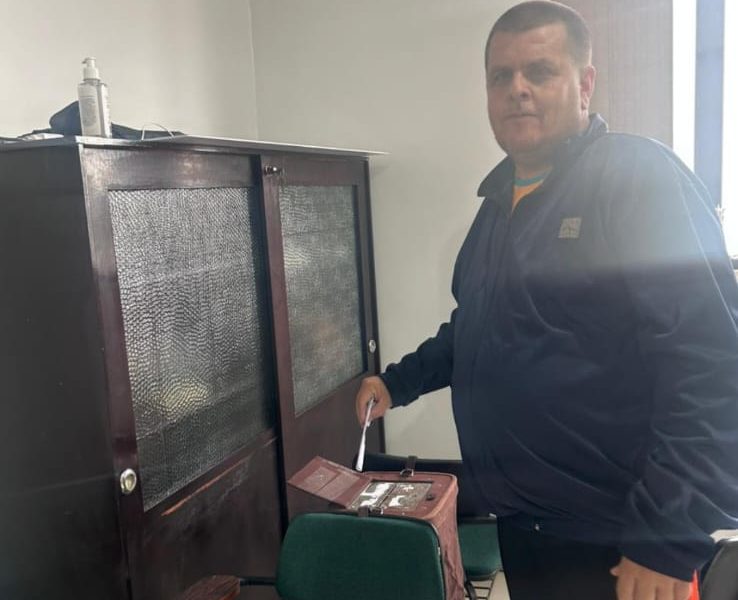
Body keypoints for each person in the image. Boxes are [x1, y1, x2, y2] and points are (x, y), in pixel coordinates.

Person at [354, 2, 738, 599]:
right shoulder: (496, 207)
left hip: (621, 542)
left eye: (540, 71)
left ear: (585, 83)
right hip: (524, 525)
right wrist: (396, 382)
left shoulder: (638, 178)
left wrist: (665, 539)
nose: (518, 89)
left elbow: (710, 367)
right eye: (500, 76)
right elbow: (475, 329)